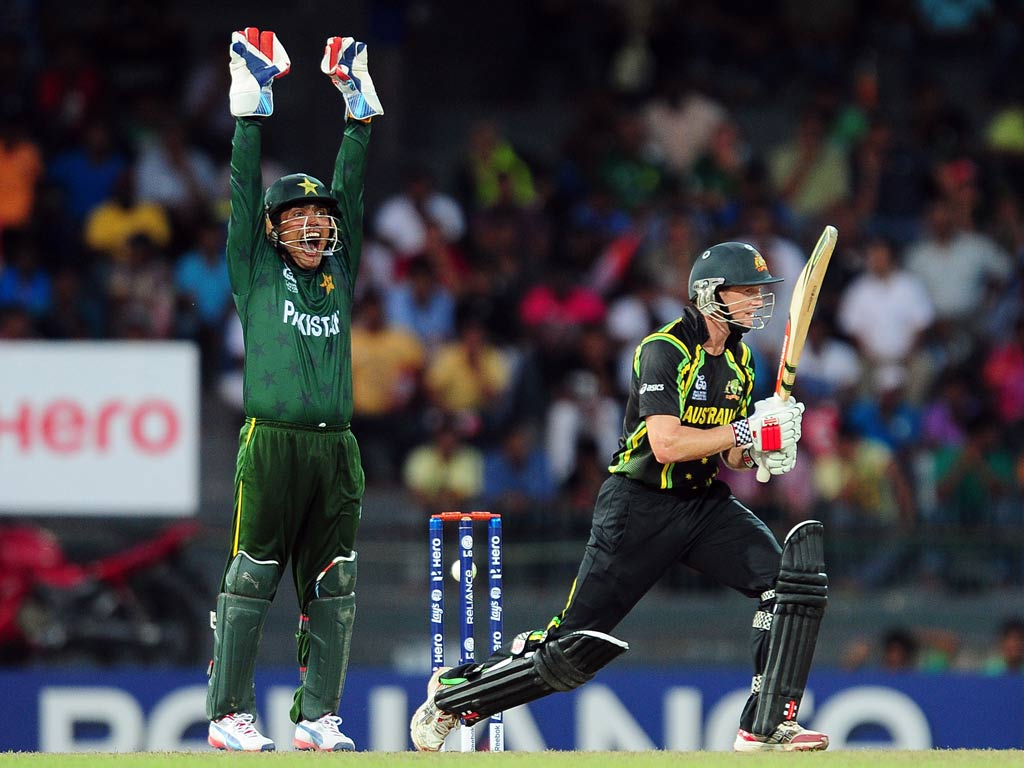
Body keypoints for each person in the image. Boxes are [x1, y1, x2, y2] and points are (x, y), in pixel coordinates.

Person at [410, 242, 829, 753]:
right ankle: (455, 697)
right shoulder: (664, 349)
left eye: (761, 293)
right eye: (747, 292)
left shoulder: (740, 361)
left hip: (702, 505)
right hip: (638, 508)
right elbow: (667, 444)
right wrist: (747, 433)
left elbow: (729, 454)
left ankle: (764, 725)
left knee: (789, 584)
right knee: (570, 652)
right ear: (709, 294)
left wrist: (767, 450)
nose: (759, 302)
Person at [204, 27, 382, 753]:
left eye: (322, 219)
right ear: (274, 230)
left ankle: (317, 716)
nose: (314, 227)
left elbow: (356, 186)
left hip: (336, 449)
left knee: (334, 584)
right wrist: (250, 115)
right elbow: (243, 190)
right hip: (270, 443)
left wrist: (358, 117)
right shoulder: (254, 270)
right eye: (298, 219)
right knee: (251, 577)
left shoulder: (341, 279)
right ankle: (228, 716)